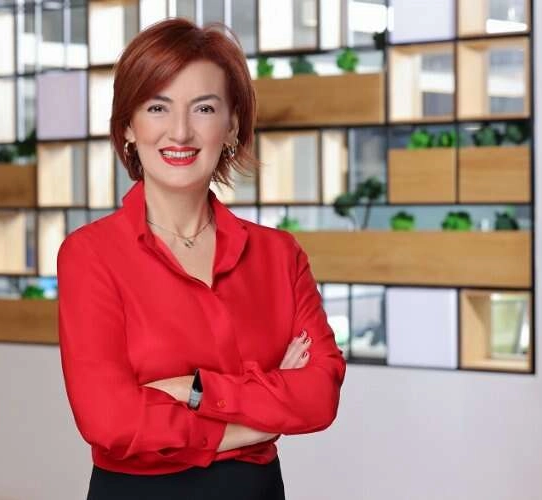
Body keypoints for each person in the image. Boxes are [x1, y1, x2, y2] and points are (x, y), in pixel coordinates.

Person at [57, 17, 346, 500]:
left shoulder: (279, 255)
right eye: (157, 107)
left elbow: (318, 396)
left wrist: (194, 390)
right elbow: (109, 422)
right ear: (128, 126)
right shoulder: (90, 255)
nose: (180, 131)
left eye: (204, 108)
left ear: (231, 126)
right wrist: (259, 419)